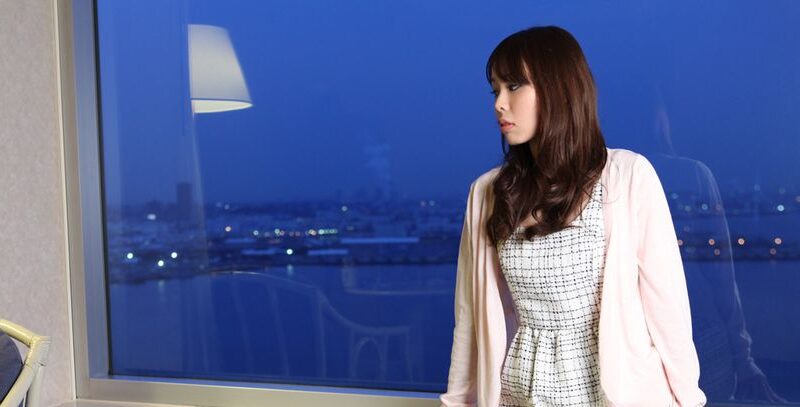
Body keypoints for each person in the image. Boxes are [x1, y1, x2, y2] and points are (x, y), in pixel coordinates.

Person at [439, 25, 707, 406]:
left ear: (558, 89)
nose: (499, 103)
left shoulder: (628, 176)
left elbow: (668, 310)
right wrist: (455, 402)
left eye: (514, 86)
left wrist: (689, 400)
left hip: (612, 394)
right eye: (495, 90)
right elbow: (468, 320)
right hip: (521, 392)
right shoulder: (487, 193)